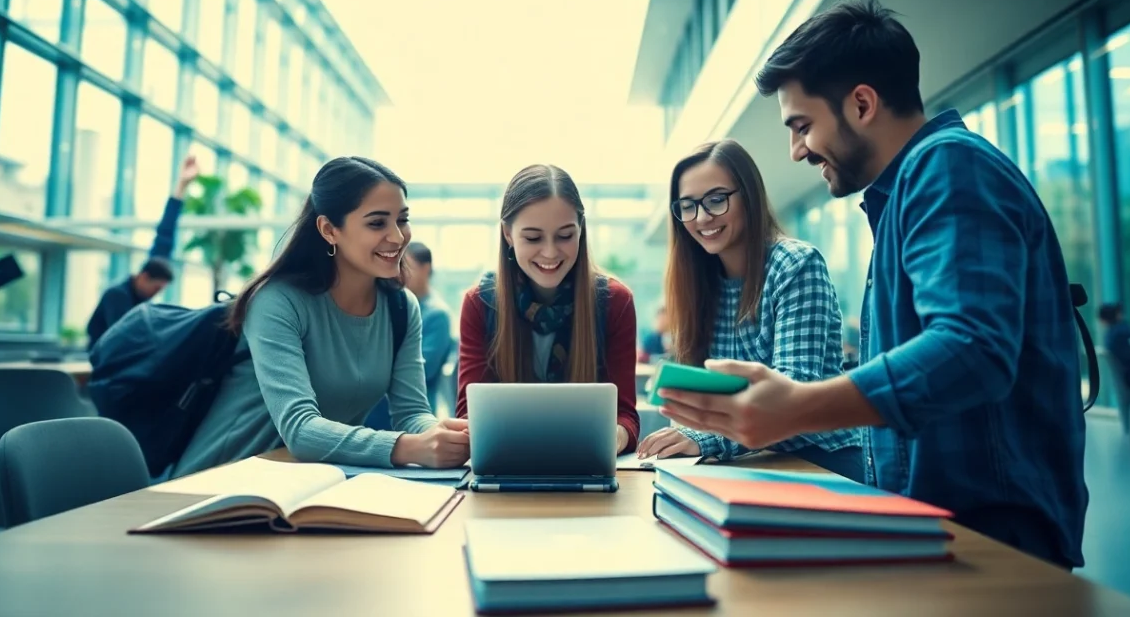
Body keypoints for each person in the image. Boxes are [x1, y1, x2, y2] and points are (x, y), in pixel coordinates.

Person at [656, 0, 1088, 570]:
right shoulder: (905, 193)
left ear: (861, 103)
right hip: (939, 524)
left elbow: (974, 349)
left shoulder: (950, 169)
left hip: (993, 531)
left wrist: (799, 407)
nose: (797, 150)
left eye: (802, 125)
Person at [170, 157, 468, 478]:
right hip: (221, 486)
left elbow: (411, 413)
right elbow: (300, 430)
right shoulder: (277, 301)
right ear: (329, 230)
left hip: (316, 484)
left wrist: (446, 436)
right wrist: (409, 447)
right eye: (377, 223)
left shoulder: (400, 307)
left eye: (402, 219)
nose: (398, 237)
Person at [635, 141, 863, 481]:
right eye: (687, 206)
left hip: (819, 461)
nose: (701, 218)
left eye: (716, 200)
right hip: (744, 464)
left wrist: (703, 439)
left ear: (748, 196)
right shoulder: (696, 281)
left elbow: (792, 395)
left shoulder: (796, 266)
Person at [456, 165, 641, 454]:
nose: (551, 252)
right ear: (507, 234)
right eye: (533, 238)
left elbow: (626, 415)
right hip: (507, 468)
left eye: (565, 235)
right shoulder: (481, 303)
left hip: (585, 467)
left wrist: (614, 437)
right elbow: (469, 418)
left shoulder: (615, 302)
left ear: (581, 229)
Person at [85, 155, 199, 347]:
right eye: (156, 288)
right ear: (143, 277)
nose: (156, 294)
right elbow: (123, 339)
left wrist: (182, 185)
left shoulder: (150, 276)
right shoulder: (118, 296)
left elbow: (165, 234)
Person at [362, 241, 455, 428]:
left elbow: (422, 370)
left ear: (425, 268)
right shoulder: (394, 305)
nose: (399, 273)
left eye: (407, 266)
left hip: (409, 414)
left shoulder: (437, 314)